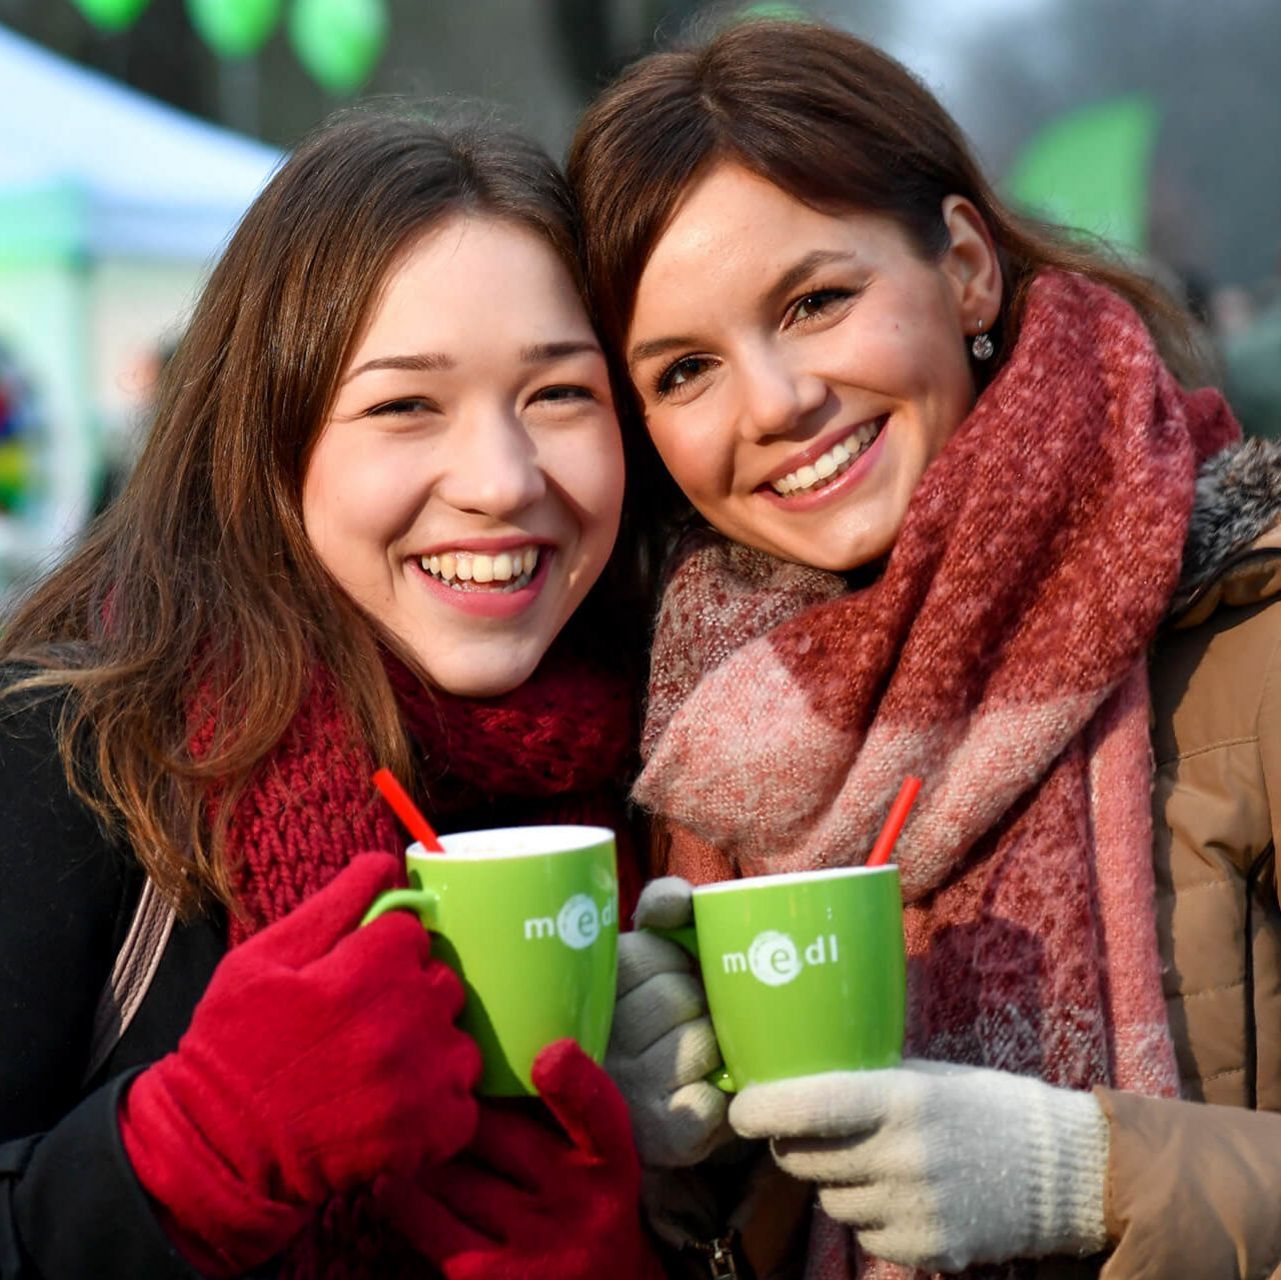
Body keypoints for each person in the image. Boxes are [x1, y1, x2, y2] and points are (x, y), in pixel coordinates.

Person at [568, 18, 1281, 1280]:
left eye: (817, 300)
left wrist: (1091, 1172)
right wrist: (694, 1166)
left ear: (962, 265)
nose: (775, 401)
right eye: (685, 370)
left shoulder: (1248, 623)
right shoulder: (706, 737)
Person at [0, 109, 661, 1279]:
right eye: (407, 405)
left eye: (560, 393)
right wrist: (176, 1158)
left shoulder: (681, 763)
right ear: (270, 438)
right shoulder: (74, 744)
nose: (504, 480)